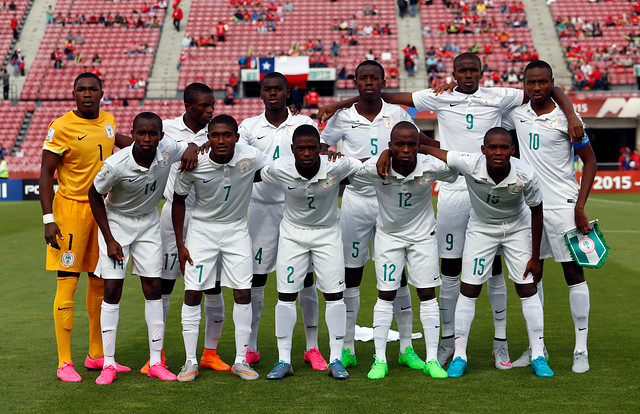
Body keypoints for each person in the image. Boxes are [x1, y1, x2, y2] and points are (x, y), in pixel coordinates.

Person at [318, 52, 583, 370]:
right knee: (450, 267)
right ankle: (447, 343)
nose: (468, 75)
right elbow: (379, 96)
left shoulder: (500, 96)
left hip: (489, 185)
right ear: (453, 73)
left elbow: (545, 88)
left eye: (473, 70)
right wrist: (338, 105)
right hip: (454, 188)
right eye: (462, 71)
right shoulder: (438, 96)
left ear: (482, 72)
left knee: (495, 269)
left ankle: (501, 342)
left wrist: (572, 115)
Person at [320, 60, 439, 370]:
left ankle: (405, 347)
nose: (369, 82)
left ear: (383, 80)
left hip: (392, 203)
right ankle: (346, 347)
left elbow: (418, 143)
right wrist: (348, 163)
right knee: (352, 275)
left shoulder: (397, 114)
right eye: (363, 77)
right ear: (356, 81)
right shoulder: (344, 116)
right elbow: (321, 148)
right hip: (357, 201)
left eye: (375, 77)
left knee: (397, 278)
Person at [417, 127, 553, 378]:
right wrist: (415, 147)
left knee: (527, 288)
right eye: (493, 147)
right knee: (469, 288)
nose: (498, 152)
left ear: (513, 150)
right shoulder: (471, 163)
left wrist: (535, 256)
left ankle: (537, 355)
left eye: (504, 148)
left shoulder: (526, 174)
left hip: (516, 228)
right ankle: (460, 355)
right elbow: (441, 153)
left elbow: (537, 211)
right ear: (483, 150)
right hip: (481, 228)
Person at [88, 112, 197, 384]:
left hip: (148, 222)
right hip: (117, 223)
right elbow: (94, 194)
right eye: (141, 133)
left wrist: (194, 148)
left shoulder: (167, 149)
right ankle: (109, 364)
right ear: (132, 134)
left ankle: (156, 361)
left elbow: (188, 147)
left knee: (154, 288)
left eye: (153, 133)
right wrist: (110, 238)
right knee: (113, 289)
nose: (147, 139)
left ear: (161, 135)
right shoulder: (116, 164)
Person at [502, 60, 597, 373]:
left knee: (573, 273)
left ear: (552, 82)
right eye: (531, 83)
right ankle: (536, 348)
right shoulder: (516, 113)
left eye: (543, 83)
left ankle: (580, 350)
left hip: (564, 207)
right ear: (524, 84)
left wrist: (580, 206)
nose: (537, 88)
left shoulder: (567, 119)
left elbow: (590, 162)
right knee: (533, 275)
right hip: (527, 207)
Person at [39, 73, 133, 382]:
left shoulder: (108, 119)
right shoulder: (61, 127)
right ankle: (64, 362)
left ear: (103, 92)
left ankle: (96, 356)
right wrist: (47, 219)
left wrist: (160, 145)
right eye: (82, 89)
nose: (88, 94)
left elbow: (125, 143)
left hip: (102, 212)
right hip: (71, 213)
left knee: (98, 281)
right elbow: (45, 174)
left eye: (93, 89)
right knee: (68, 281)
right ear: (73, 93)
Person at [348, 122, 457, 379]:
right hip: (388, 237)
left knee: (427, 294)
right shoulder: (377, 167)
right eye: (399, 145)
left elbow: (455, 167)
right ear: (390, 146)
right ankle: (380, 359)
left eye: (411, 144)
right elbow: (349, 171)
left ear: (418, 146)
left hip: (423, 238)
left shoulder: (430, 166)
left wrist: (428, 149)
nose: (406, 150)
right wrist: (378, 157)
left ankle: (432, 359)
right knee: (385, 294)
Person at [172, 114, 270, 381]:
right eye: (215, 135)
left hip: (236, 229)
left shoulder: (251, 156)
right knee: (192, 293)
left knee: (243, 293)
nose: (221, 140)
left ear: (237, 137)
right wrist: (180, 243)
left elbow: (274, 169)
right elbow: (178, 200)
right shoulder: (195, 163)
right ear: (208, 138)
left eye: (227, 135)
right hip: (201, 230)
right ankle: (190, 361)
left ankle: (241, 360)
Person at [238, 72, 325, 369]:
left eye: (279, 89)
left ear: (289, 93)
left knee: (306, 279)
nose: (273, 93)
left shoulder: (304, 125)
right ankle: (250, 346)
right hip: (260, 208)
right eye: (267, 89)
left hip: (297, 209)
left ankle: (312, 348)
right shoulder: (249, 126)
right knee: (257, 278)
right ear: (260, 93)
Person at [261, 125, 361, 380]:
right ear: (292, 149)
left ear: (322, 148)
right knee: (285, 297)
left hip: (327, 234)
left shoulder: (336, 165)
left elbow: (366, 165)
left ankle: (336, 359)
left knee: (335, 296)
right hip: (293, 235)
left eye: (312, 148)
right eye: (301, 148)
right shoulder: (279, 168)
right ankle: (284, 360)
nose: (307, 153)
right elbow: (252, 173)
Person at [154, 83, 230, 375]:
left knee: (212, 285)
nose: (211, 110)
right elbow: (142, 145)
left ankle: (210, 352)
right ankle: (156, 353)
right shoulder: (169, 129)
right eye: (204, 106)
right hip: (174, 213)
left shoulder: (219, 132)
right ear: (187, 106)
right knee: (165, 284)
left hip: (209, 217)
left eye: (212, 104)